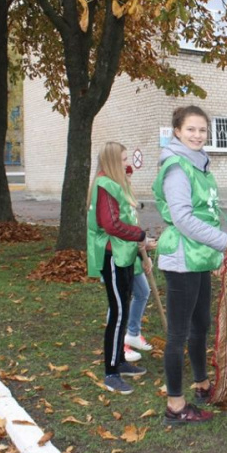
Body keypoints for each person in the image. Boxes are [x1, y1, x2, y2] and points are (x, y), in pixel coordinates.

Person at [153, 105, 227, 426]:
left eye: (202, 130)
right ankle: (175, 406)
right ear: (177, 131)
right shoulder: (177, 167)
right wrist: (224, 242)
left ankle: (202, 384)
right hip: (181, 258)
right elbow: (184, 219)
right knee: (177, 334)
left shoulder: (200, 165)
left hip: (199, 256)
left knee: (200, 324)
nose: (197, 135)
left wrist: (215, 257)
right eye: (191, 129)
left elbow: (207, 214)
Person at [86, 141, 148, 395]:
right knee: (119, 311)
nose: (127, 163)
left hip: (123, 254)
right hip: (112, 255)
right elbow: (111, 224)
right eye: (123, 159)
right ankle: (111, 372)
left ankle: (119, 363)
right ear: (112, 161)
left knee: (122, 306)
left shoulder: (114, 183)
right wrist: (139, 234)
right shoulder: (104, 185)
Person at [123, 165, 155, 362]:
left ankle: (133, 333)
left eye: (130, 176)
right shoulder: (114, 197)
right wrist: (142, 247)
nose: (129, 179)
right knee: (119, 301)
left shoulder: (128, 198)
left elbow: (135, 230)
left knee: (142, 292)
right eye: (125, 176)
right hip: (119, 257)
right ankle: (120, 345)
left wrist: (145, 248)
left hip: (133, 254)